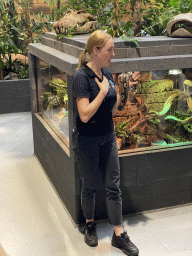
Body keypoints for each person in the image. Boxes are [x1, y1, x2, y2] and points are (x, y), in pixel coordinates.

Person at [72, 30, 140, 256]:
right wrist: (102, 92)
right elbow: (83, 115)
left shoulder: (108, 74)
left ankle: (118, 234)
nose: (113, 53)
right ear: (96, 50)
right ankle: (90, 224)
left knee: (113, 186)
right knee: (90, 185)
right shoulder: (81, 77)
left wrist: (120, 88)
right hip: (87, 140)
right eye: (109, 49)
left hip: (108, 137)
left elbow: (113, 110)